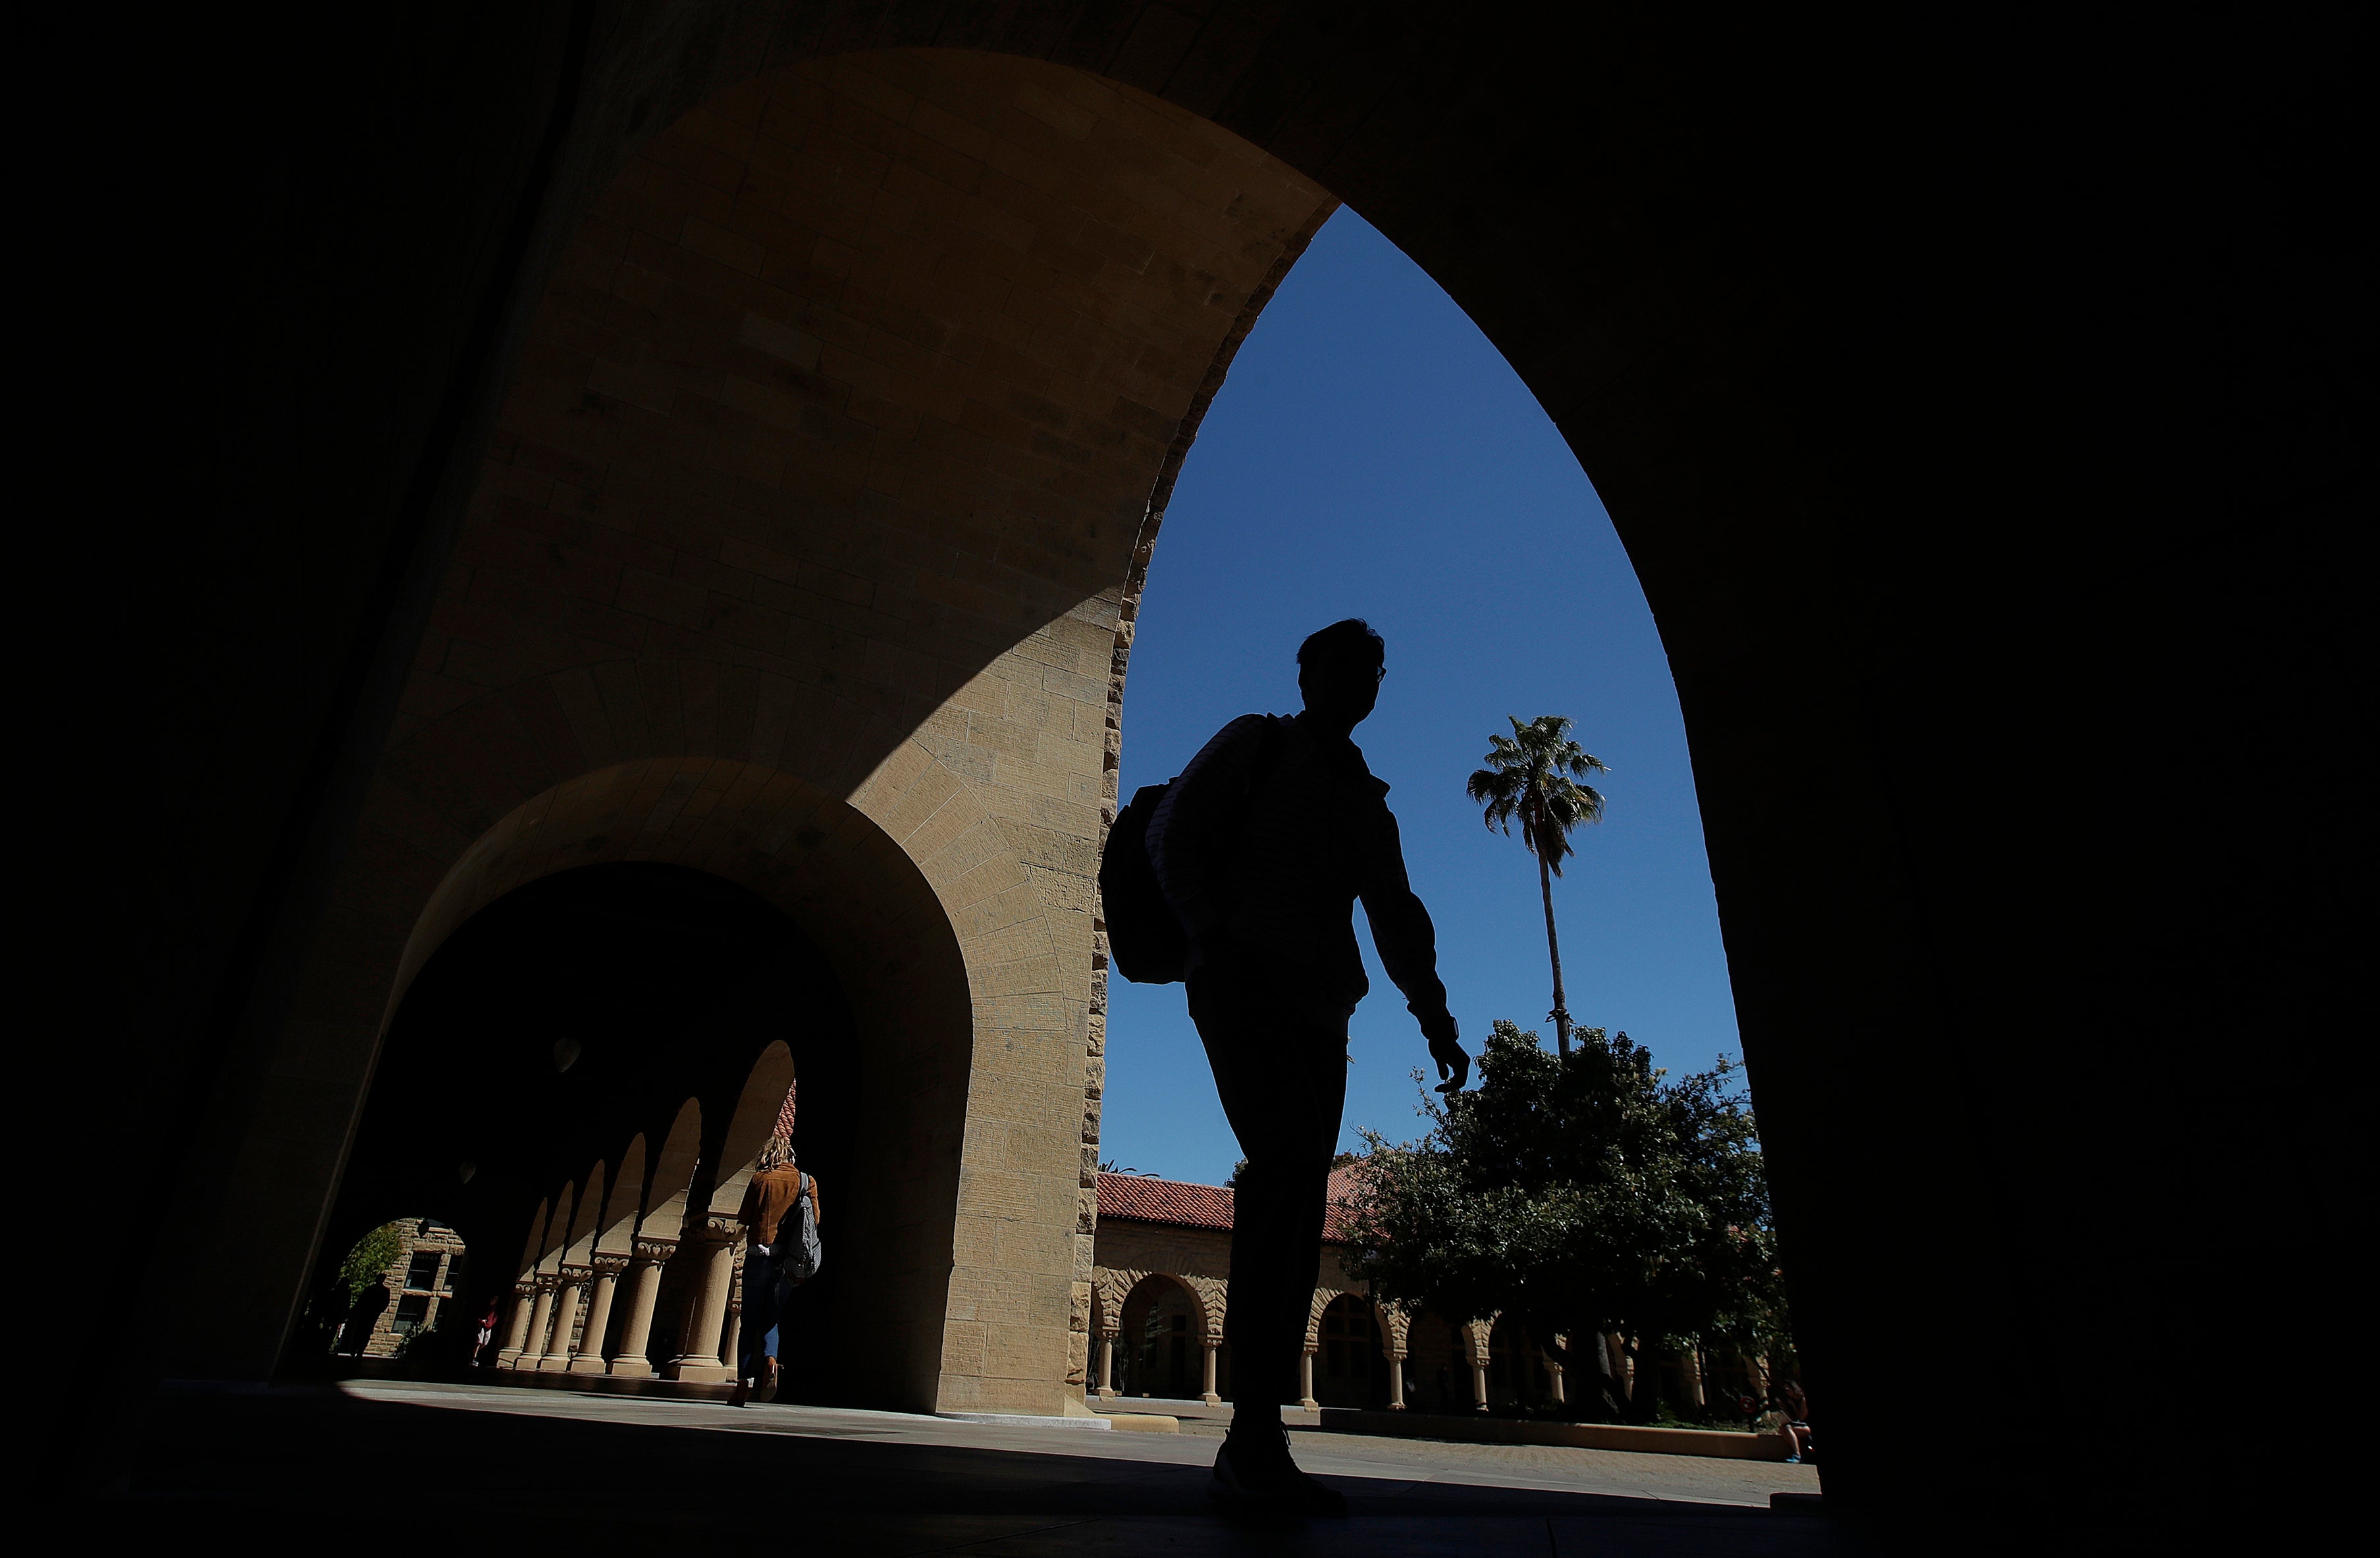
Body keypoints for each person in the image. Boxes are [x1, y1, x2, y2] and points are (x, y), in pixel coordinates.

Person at [1148, 619, 1466, 1515]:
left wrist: (1433, 1014)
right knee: (1284, 1178)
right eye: (1343, 664)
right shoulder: (1257, 743)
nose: (1360, 680)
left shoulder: (1367, 802)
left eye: (1373, 670)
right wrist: (1211, 935)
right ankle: (1252, 1434)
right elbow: (1173, 829)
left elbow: (1397, 916)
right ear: (1306, 672)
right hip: (1243, 990)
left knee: (1292, 1200)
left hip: (1322, 1013)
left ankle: (1258, 1436)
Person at [729, 1133, 820, 1407]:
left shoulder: (760, 1180)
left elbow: (743, 1217)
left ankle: (743, 1384)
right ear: (790, 1156)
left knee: (749, 1323)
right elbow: (815, 1220)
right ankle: (771, 1359)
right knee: (772, 1318)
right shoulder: (806, 1181)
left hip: (758, 1258)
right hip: (788, 1261)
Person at [1776, 1380, 1816, 1463]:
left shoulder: (1803, 1400)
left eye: (1788, 1389)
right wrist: (1784, 1409)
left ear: (1794, 1388)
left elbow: (1802, 1417)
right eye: (1785, 1390)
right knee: (1783, 1429)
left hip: (1808, 1427)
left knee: (1787, 1427)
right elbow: (1793, 1419)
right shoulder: (1791, 1400)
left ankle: (1797, 1455)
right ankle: (1797, 1453)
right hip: (1800, 1426)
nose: (1787, 1392)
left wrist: (1794, 1406)